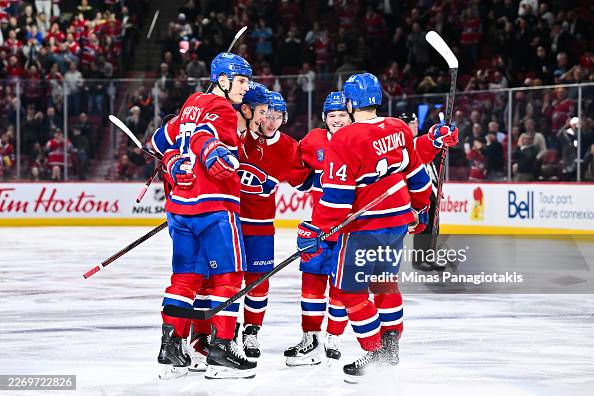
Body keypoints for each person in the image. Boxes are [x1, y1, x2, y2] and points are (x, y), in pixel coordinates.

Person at [297, 73, 453, 382]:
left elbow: (338, 198)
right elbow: (418, 176)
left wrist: (324, 230)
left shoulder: (345, 138)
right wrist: (420, 209)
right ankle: (392, 341)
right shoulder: (397, 127)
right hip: (396, 223)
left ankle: (377, 349)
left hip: (363, 229)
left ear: (351, 103)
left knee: (348, 291)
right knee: (384, 283)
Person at [150, 52, 256, 380]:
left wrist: (172, 163)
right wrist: (222, 161)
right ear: (222, 81)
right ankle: (222, 347)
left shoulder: (191, 102)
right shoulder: (224, 108)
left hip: (181, 208)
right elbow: (207, 141)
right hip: (214, 207)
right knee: (228, 276)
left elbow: (158, 142)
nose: (246, 88)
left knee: (185, 279)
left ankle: (171, 347)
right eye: (241, 81)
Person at [237, 88, 311, 358]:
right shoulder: (239, 138)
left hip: (261, 226)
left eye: (277, 117)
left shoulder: (289, 147)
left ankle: (251, 331)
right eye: (266, 115)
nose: (270, 122)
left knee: (258, 281)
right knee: (228, 279)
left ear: (284, 118)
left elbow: (305, 182)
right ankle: (226, 331)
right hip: (229, 222)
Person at [283, 92, 352, 366]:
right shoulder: (313, 141)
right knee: (311, 285)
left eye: (342, 115)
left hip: (349, 230)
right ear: (324, 118)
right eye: (332, 116)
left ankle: (333, 336)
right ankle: (310, 339)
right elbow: (299, 178)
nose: (337, 120)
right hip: (319, 229)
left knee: (340, 287)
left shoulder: (361, 140)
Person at [398, 112, 459, 271]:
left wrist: (436, 187)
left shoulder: (416, 142)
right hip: (415, 192)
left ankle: (429, 256)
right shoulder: (404, 146)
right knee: (424, 225)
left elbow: (429, 166)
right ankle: (419, 259)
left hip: (429, 190)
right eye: (411, 122)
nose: (415, 125)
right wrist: (435, 139)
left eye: (416, 122)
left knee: (433, 225)